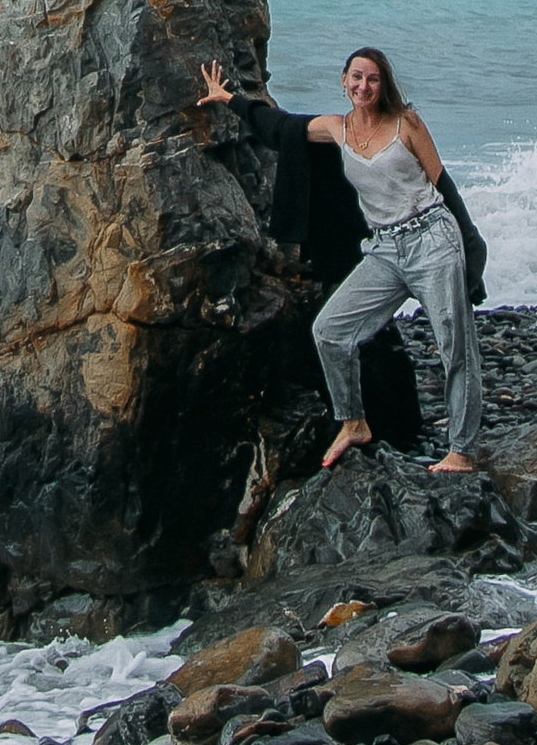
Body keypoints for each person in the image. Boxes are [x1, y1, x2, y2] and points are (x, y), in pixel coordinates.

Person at [199, 45, 487, 474]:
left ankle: (461, 450)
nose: (363, 86)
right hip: (385, 250)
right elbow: (281, 128)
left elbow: (443, 184)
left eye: (372, 79)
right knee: (330, 331)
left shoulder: (406, 123)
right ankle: (353, 421)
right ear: (344, 82)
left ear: (383, 84)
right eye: (356, 77)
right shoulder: (338, 129)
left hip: (433, 239)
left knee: (455, 346)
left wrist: (472, 249)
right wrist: (229, 100)